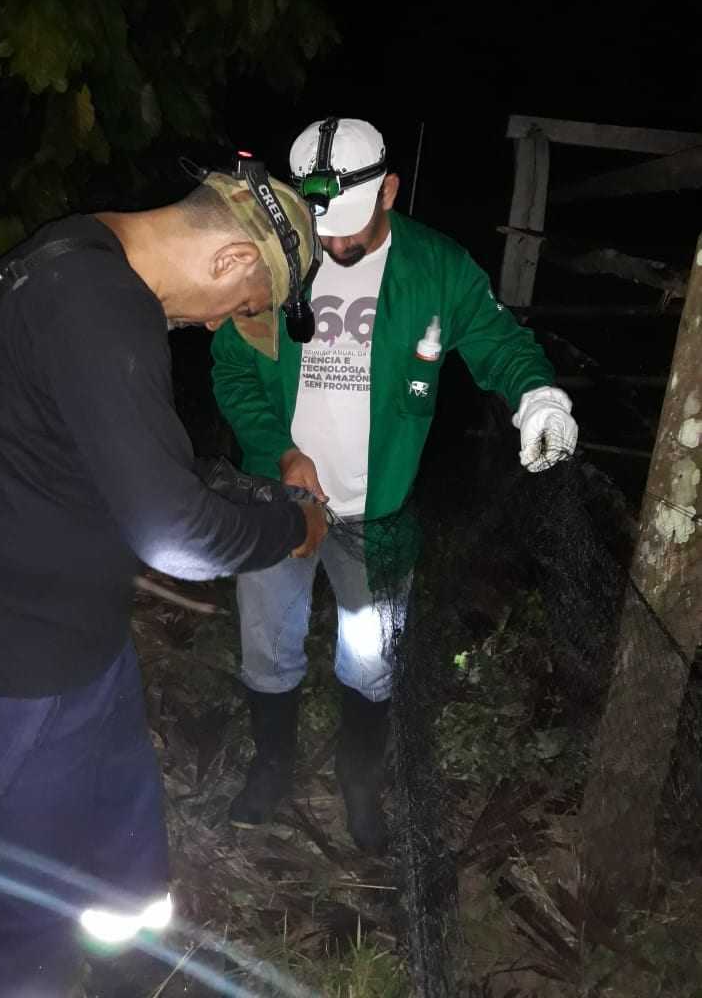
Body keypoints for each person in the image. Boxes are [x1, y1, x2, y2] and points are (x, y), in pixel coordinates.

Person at [0, 163, 327, 997]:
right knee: (18, 931)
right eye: (241, 309)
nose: (220, 323)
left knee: (126, 867)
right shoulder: (101, 304)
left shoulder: (66, 254)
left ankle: (128, 981)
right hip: (9, 679)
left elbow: (115, 459)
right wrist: (292, 526)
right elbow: (175, 533)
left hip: (83, 656)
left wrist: (244, 485)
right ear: (230, 264)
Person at [210, 118, 578, 855]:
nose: (334, 245)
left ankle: (359, 790)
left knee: (370, 661)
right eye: (322, 229)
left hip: (377, 516)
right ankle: (272, 772)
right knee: (266, 645)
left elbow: (498, 341)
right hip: (277, 502)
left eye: (347, 227)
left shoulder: (436, 268)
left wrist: (538, 395)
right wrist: (278, 451)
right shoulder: (280, 258)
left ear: (389, 188)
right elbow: (234, 368)